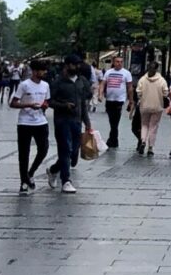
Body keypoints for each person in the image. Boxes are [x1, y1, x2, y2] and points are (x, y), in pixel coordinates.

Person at [47, 58, 90, 192]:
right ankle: (66, 180)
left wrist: (87, 123)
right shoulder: (58, 82)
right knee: (65, 149)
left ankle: (53, 170)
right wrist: (64, 106)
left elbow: (83, 103)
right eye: (73, 64)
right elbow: (50, 102)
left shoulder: (81, 81)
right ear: (67, 65)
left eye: (78, 64)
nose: (76, 66)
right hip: (62, 121)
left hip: (77, 121)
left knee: (73, 152)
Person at [11, 58, 51, 192]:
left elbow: (47, 101)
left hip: (41, 122)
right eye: (41, 70)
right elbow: (13, 103)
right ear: (34, 72)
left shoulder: (45, 85)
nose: (44, 72)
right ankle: (23, 180)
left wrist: (45, 105)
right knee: (24, 153)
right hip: (25, 122)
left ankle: (31, 172)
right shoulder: (24, 85)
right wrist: (28, 105)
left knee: (44, 149)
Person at [100, 53, 132, 150]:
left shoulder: (126, 73)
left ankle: (112, 140)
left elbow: (130, 87)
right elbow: (103, 84)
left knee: (115, 120)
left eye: (121, 62)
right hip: (109, 99)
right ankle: (113, 140)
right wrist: (100, 94)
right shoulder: (108, 72)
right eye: (117, 62)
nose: (119, 63)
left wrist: (131, 100)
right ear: (114, 62)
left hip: (119, 100)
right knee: (111, 120)